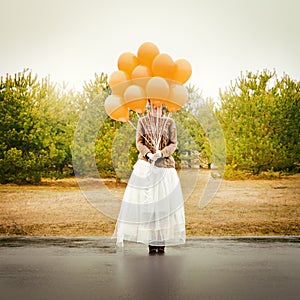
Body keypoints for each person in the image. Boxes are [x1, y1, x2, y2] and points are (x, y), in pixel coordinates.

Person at [113, 101, 186, 254]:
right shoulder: (142, 121)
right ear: (148, 105)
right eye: (153, 104)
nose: (155, 107)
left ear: (163, 105)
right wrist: (148, 153)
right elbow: (139, 142)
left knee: (163, 205)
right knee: (148, 204)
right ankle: (152, 241)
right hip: (146, 166)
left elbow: (173, 143)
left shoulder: (170, 122)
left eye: (158, 105)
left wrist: (162, 153)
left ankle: (162, 240)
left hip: (165, 167)